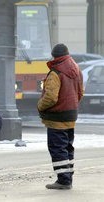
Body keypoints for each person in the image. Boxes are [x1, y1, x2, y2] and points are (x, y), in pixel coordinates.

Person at [38, 43, 83, 190]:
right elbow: (80, 92)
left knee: (57, 149)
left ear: (54, 56)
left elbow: (51, 97)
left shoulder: (55, 72)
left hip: (56, 118)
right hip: (71, 115)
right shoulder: (76, 70)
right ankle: (68, 177)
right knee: (67, 148)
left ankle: (63, 181)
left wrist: (40, 106)